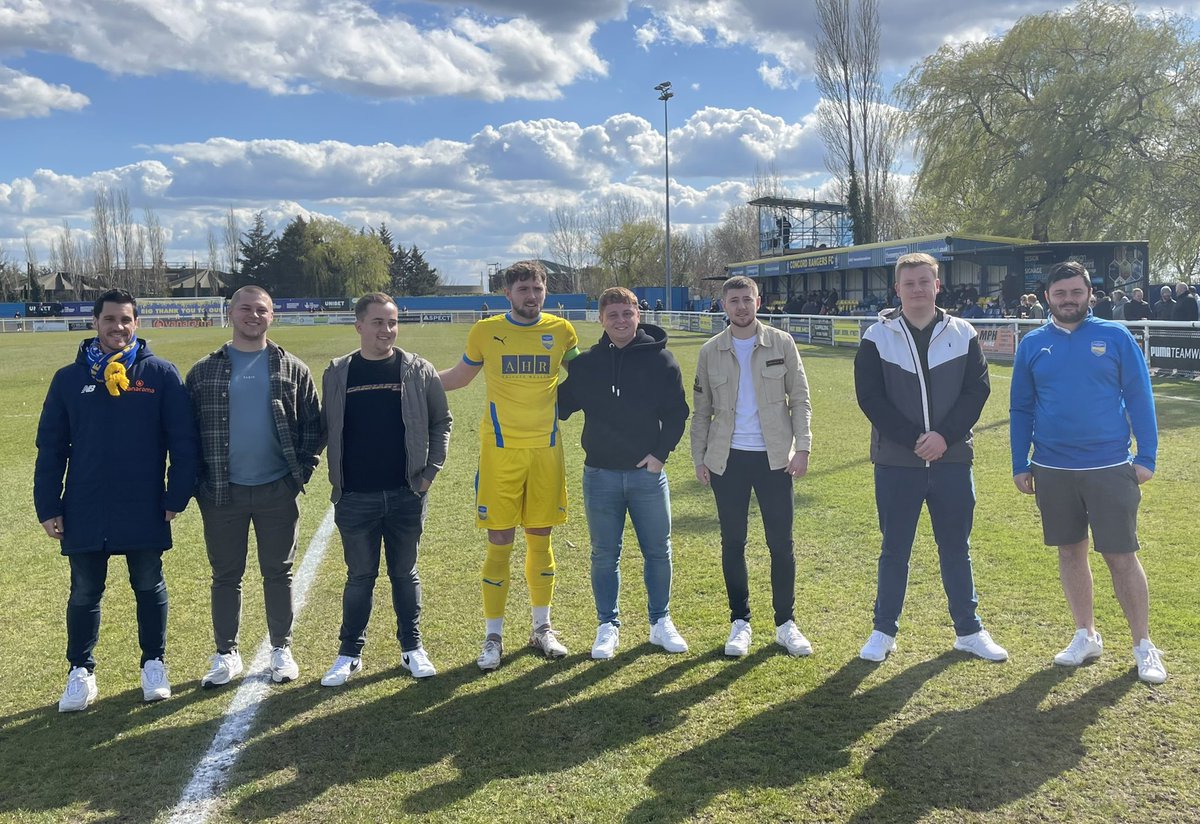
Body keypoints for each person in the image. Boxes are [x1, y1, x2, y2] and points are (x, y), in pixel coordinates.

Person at [35, 289, 199, 711]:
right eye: (110, 319)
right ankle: (81, 672)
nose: (118, 327)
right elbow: (51, 447)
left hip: (144, 504)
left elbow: (182, 442)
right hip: (85, 506)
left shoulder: (160, 374)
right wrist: (48, 505)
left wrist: (176, 495)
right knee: (85, 591)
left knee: (148, 584)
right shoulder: (68, 379)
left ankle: (153, 664)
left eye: (125, 320)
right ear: (95, 322)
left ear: (136, 323)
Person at [1011, 260, 1165, 684]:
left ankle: (1143, 645)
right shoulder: (1033, 343)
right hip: (1052, 468)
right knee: (1070, 551)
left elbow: (1139, 395)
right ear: (1048, 297)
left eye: (1076, 293)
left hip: (1109, 466)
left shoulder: (1114, 336)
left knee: (1121, 556)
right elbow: (1021, 407)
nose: (1068, 300)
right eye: (1060, 294)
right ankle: (1086, 634)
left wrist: (1147, 456)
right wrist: (1019, 462)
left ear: (1089, 294)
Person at [854, 253, 1007, 664]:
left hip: (952, 459)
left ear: (937, 286)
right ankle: (884, 631)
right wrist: (915, 439)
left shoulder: (963, 332)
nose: (917, 289)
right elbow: (870, 398)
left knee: (956, 547)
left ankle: (969, 631)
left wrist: (944, 437)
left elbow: (977, 391)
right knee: (894, 549)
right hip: (896, 463)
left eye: (925, 282)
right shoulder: (876, 336)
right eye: (909, 283)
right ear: (897, 289)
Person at [438, 260, 580, 670]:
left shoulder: (561, 331)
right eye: (523, 290)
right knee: (499, 542)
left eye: (537, 288)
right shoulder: (485, 331)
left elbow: (586, 376)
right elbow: (461, 377)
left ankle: (542, 628)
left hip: (546, 451)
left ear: (545, 290)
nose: (531, 296)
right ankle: (493, 637)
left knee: (541, 538)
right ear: (507, 294)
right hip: (500, 453)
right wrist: (408, 375)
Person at [187, 285, 322, 688]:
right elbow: (186, 433)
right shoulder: (203, 371)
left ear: (272, 316)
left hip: (275, 491)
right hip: (221, 492)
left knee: (278, 573)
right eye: (245, 309)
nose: (253, 315)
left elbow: (314, 426)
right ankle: (226, 653)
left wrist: (297, 475)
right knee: (225, 575)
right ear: (231, 313)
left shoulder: (292, 367)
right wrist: (199, 483)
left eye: (261, 310)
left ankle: (281, 648)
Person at [319, 293, 452, 686]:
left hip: (406, 494)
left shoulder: (418, 370)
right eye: (378, 322)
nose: (387, 330)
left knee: (404, 573)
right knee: (360, 576)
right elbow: (327, 426)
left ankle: (412, 648)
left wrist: (428, 475)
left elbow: (441, 423)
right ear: (358, 325)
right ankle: (349, 653)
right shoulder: (337, 372)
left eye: (392, 322)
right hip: (355, 497)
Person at [557, 287, 690, 660]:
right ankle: (607, 625)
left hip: (647, 476)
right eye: (612, 314)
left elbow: (678, 413)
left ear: (638, 315)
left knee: (658, 552)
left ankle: (660, 622)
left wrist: (660, 455)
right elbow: (558, 405)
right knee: (603, 554)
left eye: (627, 314)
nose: (620, 321)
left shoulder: (662, 361)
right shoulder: (585, 365)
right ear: (600, 319)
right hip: (599, 475)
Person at [691, 275, 814, 658]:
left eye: (747, 299)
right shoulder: (711, 351)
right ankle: (739, 622)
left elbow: (801, 399)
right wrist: (699, 458)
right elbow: (701, 412)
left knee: (781, 543)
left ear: (758, 302)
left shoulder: (781, 342)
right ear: (723, 305)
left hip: (775, 459)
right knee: (733, 543)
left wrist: (803, 448)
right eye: (734, 301)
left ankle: (785, 624)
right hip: (727, 460)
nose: (741, 306)